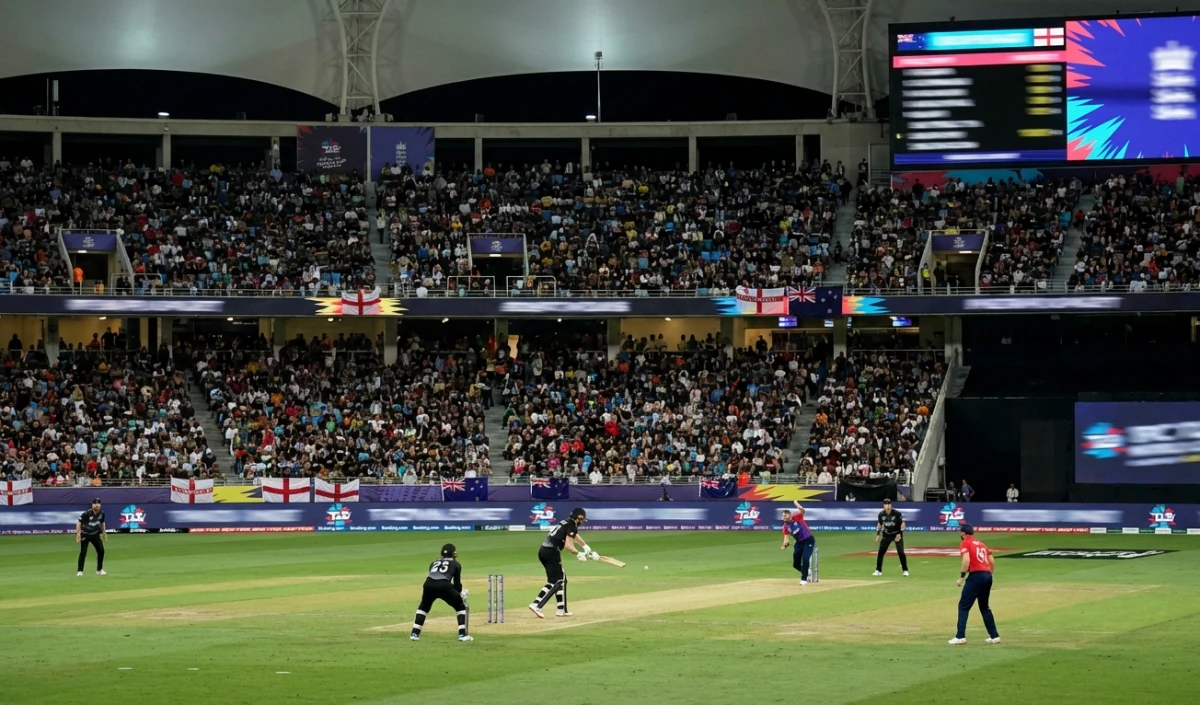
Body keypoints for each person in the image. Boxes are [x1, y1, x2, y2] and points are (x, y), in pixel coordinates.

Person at [529, 507, 592, 618]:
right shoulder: (572, 525)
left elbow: (574, 534)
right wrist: (578, 554)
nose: (582, 522)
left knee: (562, 579)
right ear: (578, 518)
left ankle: (561, 609)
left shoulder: (566, 522)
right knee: (557, 581)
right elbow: (568, 545)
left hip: (544, 551)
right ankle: (537, 604)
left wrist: (584, 546)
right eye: (582, 520)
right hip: (551, 552)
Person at [949, 524, 1000, 645]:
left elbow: (966, 560)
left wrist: (961, 577)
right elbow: (991, 560)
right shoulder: (981, 543)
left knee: (963, 606)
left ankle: (960, 636)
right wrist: (988, 574)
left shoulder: (965, 543)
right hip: (987, 575)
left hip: (976, 576)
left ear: (963, 533)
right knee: (984, 607)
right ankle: (994, 636)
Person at [410, 543, 472, 642]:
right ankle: (462, 635)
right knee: (460, 607)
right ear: (453, 553)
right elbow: (457, 584)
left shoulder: (433, 563)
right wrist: (459, 594)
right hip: (444, 585)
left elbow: (433, 575)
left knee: (424, 607)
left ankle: (414, 634)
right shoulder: (456, 564)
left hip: (428, 584)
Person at [780, 501, 816, 585]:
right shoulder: (785, 527)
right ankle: (806, 571)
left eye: (785, 515)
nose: (784, 517)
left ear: (790, 515)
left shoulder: (797, 517)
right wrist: (785, 545)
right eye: (783, 516)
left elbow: (803, 511)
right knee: (795, 564)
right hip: (799, 543)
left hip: (808, 540)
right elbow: (786, 539)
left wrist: (797, 505)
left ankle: (804, 579)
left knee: (805, 558)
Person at [874, 498, 909, 577]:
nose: (888, 506)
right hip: (887, 534)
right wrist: (878, 534)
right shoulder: (881, 514)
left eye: (889, 504)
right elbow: (879, 524)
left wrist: (899, 534)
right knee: (881, 552)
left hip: (896, 534)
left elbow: (903, 524)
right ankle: (878, 570)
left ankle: (905, 570)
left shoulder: (897, 513)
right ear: (883, 506)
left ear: (891, 505)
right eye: (886, 504)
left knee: (901, 552)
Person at [76, 498, 107, 576]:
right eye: (95, 503)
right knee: (83, 552)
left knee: (101, 551)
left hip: (95, 534)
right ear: (92, 505)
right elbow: (79, 523)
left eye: (98, 503)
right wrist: (78, 534)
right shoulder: (87, 513)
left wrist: (104, 532)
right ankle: (80, 571)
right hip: (85, 534)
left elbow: (102, 523)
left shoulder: (102, 513)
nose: (97, 505)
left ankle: (99, 570)